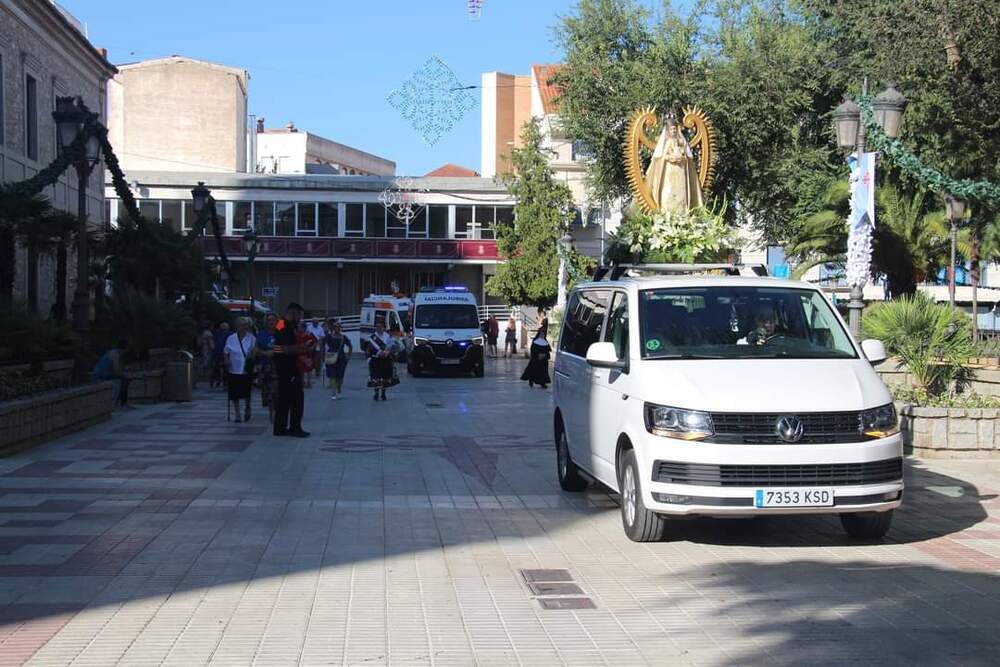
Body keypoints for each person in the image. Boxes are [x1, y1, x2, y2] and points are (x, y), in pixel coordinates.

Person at [272, 302, 309, 437]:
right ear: (293, 313)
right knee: (296, 399)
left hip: (284, 367)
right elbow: (287, 348)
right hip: (288, 368)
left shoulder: (281, 324)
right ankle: (294, 428)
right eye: (299, 315)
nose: (300, 318)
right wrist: (302, 348)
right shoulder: (284, 326)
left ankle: (280, 428)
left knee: (284, 399)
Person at [224, 317, 257, 422]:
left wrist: (252, 355)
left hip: (246, 368)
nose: (244, 327)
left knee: (246, 392)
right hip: (234, 368)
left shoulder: (251, 338)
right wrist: (226, 361)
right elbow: (226, 351)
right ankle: (237, 413)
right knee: (234, 393)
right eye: (242, 325)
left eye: (246, 325)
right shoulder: (231, 338)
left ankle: (248, 407)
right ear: (237, 326)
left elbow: (255, 350)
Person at [92, 339, 130, 408]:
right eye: (127, 349)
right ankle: (123, 404)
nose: (127, 351)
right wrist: (124, 375)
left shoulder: (115, 353)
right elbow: (117, 370)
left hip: (103, 374)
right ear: (125, 348)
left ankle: (122, 403)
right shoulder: (115, 354)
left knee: (123, 379)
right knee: (124, 380)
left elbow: (117, 370)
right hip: (100, 376)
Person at [366, 320, 397, 401]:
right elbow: (369, 349)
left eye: (380, 327)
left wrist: (387, 352)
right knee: (376, 377)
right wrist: (378, 353)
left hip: (385, 360)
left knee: (385, 377)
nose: (379, 328)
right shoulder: (372, 337)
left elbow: (393, 347)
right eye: (377, 327)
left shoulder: (388, 336)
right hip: (375, 359)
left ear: (384, 328)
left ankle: (383, 393)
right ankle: (376, 393)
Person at [256, 313, 279, 423]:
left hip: (278, 366)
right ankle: (271, 411)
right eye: (269, 320)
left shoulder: (281, 332)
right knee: (268, 391)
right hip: (265, 366)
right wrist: (265, 353)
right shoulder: (262, 334)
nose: (271, 322)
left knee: (276, 390)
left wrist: (275, 352)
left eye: (273, 319)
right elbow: (257, 349)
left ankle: (276, 411)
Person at [323, 319, 353, 399]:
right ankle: (333, 393)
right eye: (335, 327)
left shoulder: (343, 337)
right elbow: (322, 343)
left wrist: (349, 356)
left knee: (340, 377)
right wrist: (323, 355)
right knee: (332, 376)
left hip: (341, 358)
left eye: (338, 327)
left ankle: (339, 389)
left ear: (340, 328)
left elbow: (350, 346)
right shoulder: (329, 337)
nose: (337, 328)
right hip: (330, 357)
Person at [297, 321, 318, 388]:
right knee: (301, 369)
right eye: (298, 327)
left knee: (309, 369)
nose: (298, 328)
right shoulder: (297, 334)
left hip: (308, 354)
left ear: (303, 327)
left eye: (299, 327)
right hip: (300, 354)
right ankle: (302, 382)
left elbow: (315, 341)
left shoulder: (309, 334)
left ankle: (309, 382)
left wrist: (312, 347)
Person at [211, 322, 230, 389]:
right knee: (215, 368)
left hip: (227, 354)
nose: (223, 327)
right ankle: (217, 380)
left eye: (225, 326)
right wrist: (213, 348)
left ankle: (225, 383)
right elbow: (213, 341)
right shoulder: (217, 333)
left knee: (226, 369)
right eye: (222, 326)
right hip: (217, 353)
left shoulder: (231, 334)